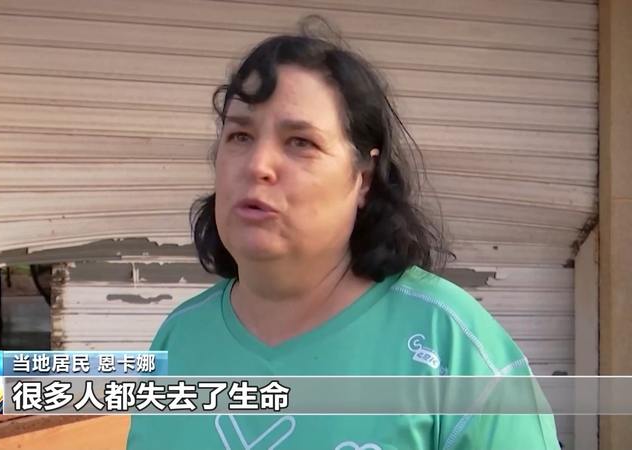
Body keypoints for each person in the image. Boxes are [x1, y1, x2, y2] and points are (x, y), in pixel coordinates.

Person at [126, 18, 560, 450]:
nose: (258, 165)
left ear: (363, 179)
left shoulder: (451, 345)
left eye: (300, 142)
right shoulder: (179, 338)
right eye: (240, 135)